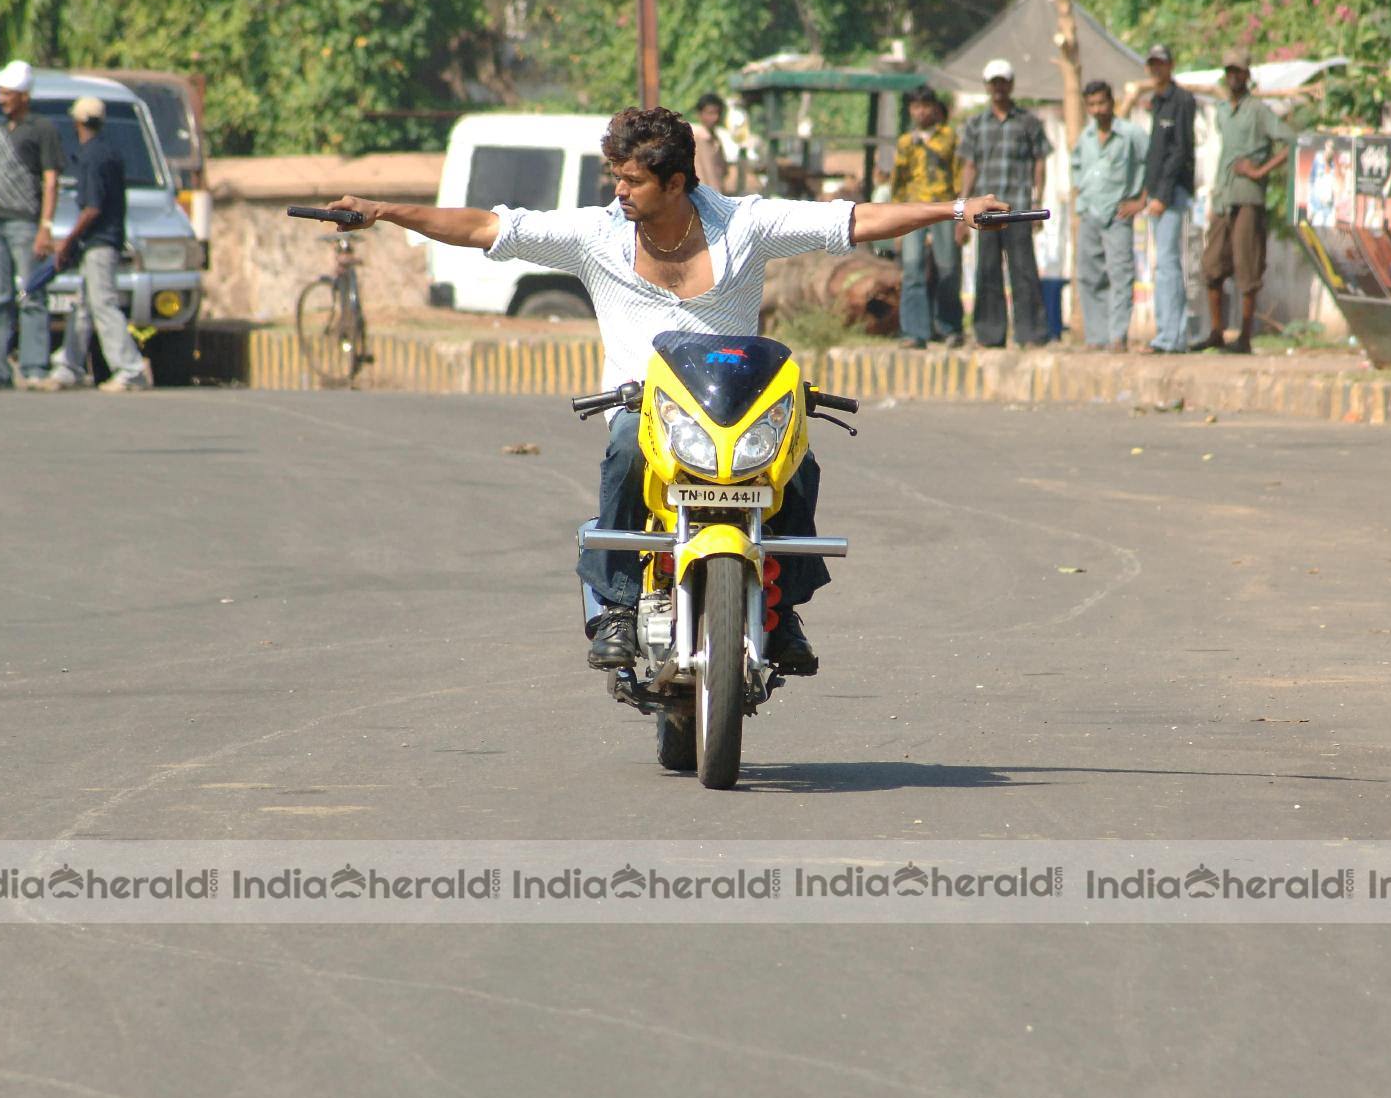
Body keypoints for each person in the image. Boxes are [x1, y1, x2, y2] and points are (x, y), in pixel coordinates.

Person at [319, 106, 1009, 673]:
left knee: (798, 460)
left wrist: (954, 209)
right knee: (623, 444)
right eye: (616, 178)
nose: (619, 193)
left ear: (676, 182)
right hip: (647, 411)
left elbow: (852, 221)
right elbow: (485, 228)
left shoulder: (747, 225)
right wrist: (382, 210)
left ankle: (784, 610)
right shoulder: (595, 235)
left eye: (632, 181)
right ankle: (617, 608)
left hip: (738, 413)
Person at [0, 61, 62, 391]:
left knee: (33, 294)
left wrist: (45, 227)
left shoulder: (42, 129)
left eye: (8, 93)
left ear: (24, 96)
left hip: (25, 222)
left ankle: (35, 368)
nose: (1, 99)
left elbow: (51, 181)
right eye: (0, 93)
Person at [52, 96, 151, 393]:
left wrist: (68, 240)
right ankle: (68, 366)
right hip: (103, 239)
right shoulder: (109, 152)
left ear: (78, 122)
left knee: (103, 305)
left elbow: (92, 208)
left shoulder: (92, 156)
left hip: (99, 241)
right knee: (83, 305)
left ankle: (130, 368)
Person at [1199, 51, 1290, 354]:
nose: (1234, 77)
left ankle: (1245, 337)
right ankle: (1216, 331)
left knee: (1247, 267)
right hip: (1223, 196)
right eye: (1229, 72)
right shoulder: (1223, 111)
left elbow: (1292, 140)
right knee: (1212, 265)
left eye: (1238, 71)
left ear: (1247, 75)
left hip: (1249, 198)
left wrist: (1260, 170)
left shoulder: (1259, 111)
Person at [960, 58, 1052, 347]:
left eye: (1003, 82)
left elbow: (1039, 163)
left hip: (1019, 209)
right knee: (987, 271)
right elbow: (970, 167)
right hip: (986, 212)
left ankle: (1031, 334)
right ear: (987, 87)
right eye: (994, 83)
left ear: (1011, 85)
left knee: (1023, 270)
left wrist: (1038, 202)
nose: (999, 88)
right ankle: (989, 335)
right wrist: (962, 209)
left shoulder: (1028, 122)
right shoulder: (975, 124)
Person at [1069, 81, 1148, 353]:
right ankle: (1096, 336)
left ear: (1112, 103)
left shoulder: (1131, 134)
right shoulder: (1086, 136)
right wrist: (1081, 197)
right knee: (1090, 276)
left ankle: (1117, 336)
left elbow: (1151, 165)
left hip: (1118, 213)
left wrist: (1141, 201)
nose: (1097, 109)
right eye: (1091, 104)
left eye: (1102, 103)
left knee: (1120, 274)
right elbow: (1076, 167)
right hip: (1090, 211)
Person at [889, 86, 964, 349]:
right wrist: (894, 225)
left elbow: (960, 176)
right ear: (911, 110)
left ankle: (950, 328)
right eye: (915, 106)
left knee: (948, 268)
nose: (921, 111)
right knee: (912, 269)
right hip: (911, 211)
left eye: (925, 106)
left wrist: (963, 216)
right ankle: (914, 332)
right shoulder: (905, 142)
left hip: (945, 209)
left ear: (934, 107)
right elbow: (897, 184)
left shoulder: (950, 138)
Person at [1135, 43, 1198, 353]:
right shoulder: (1157, 101)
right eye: (1152, 64)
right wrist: (1148, 191)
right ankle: (1172, 334)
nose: (1156, 68)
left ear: (1171, 65)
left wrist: (1162, 194)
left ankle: (1169, 337)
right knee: (1164, 263)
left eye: (1161, 63)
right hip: (1158, 193)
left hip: (1172, 193)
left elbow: (1180, 151)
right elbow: (1155, 154)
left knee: (1168, 264)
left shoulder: (1182, 100)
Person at [692, 94, 730, 195]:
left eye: (717, 113)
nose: (715, 117)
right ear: (700, 114)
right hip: (700, 197)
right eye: (710, 113)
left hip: (716, 196)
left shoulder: (717, 141)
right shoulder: (695, 136)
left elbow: (723, 172)